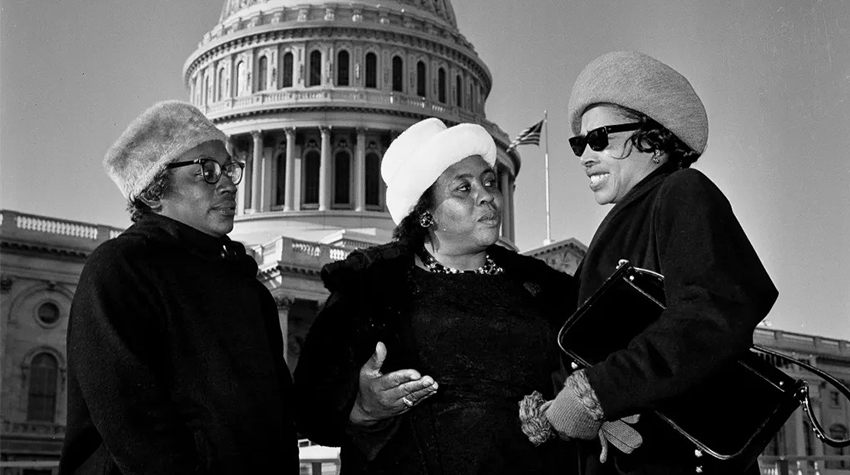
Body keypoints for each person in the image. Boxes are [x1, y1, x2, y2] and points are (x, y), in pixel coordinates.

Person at [293, 118, 581, 474]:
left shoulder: (545, 290)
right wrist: (362, 406)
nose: (487, 195)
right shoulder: (370, 286)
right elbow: (309, 406)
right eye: (463, 188)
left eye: (489, 182)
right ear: (426, 214)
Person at [537, 51, 778, 475]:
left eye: (600, 139)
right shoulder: (623, 222)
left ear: (652, 138)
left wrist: (599, 392)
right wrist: (550, 405)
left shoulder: (682, 192)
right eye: (579, 144)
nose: (584, 157)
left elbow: (713, 312)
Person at [59, 101, 299, 474]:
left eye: (229, 169)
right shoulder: (120, 269)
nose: (228, 184)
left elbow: (280, 422)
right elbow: (135, 428)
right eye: (207, 170)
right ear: (155, 187)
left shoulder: (250, 291)